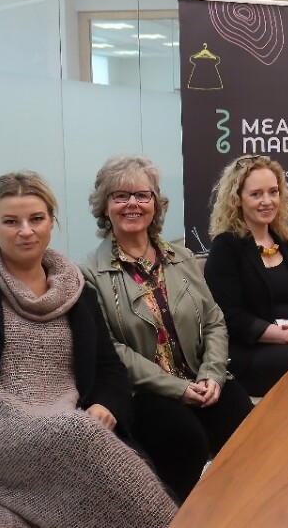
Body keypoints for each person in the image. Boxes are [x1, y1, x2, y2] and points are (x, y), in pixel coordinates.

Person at [0, 171, 177, 527]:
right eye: (11, 221)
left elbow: (109, 367)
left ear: (52, 222)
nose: (26, 231)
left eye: (36, 219)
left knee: (87, 433)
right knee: (78, 433)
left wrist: (106, 404)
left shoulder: (76, 292)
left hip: (72, 419)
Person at [82, 155, 253, 501]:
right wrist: (178, 389)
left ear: (156, 205)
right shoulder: (89, 274)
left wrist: (212, 374)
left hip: (203, 377)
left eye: (142, 196)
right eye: (121, 196)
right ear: (105, 207)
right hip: (146, 393)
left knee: (249, 430)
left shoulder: (182, 257)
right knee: (186, 439)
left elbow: (214, 320)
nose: (133, 203)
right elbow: (113, 349)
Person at [204, 155, 288, 397]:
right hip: (251, 355)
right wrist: (284, 336)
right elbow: (229, 317)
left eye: (273, 192)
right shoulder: (226, 247)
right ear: (237, 199)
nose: (267, 201)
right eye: (256, 194)